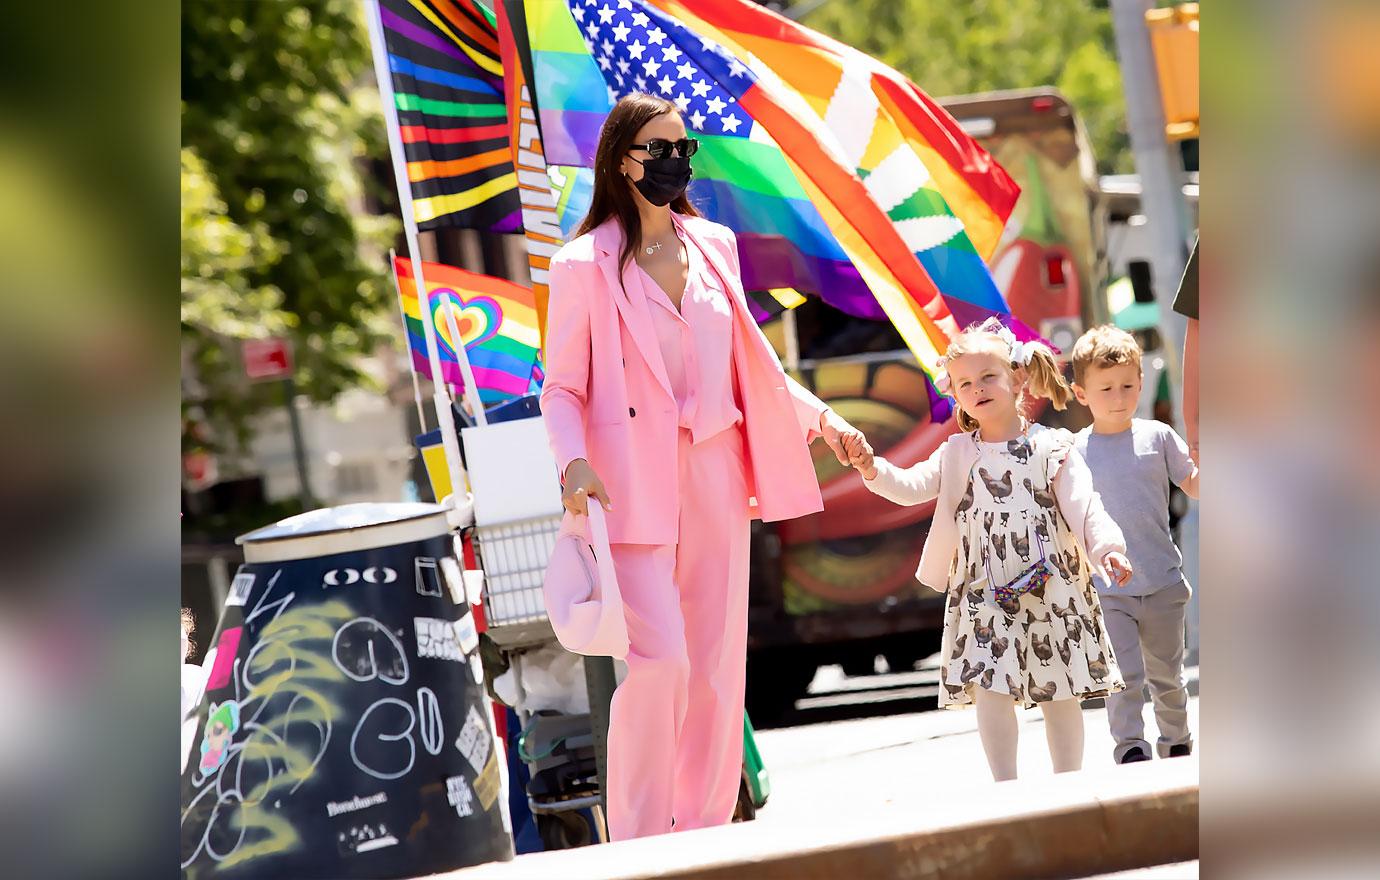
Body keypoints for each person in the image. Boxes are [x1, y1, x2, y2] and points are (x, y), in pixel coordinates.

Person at [540, 93, 863, 840]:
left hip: (716, 477)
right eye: (658, 148)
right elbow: (562, 388)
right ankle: (641, 841)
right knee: (661, 666)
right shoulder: (581, 266)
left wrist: (827, 419)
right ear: (620, 157)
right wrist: (574, 463)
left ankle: (706, 836)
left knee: (718, 674)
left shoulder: (716, 244)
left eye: (683, 147)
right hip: (627, 491)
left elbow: (754, 364)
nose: (674, 161)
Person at [841, 318, 1130, 782]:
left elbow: (1085, 505)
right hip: (984, 591)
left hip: (1050, 587)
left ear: (1017, 379)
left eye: (988, 377)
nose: (978, 389)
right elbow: (911, 486)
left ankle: (1070, 782)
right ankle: (1005, 787)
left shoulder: (1051, 447)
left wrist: (1107, 547)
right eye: (965, 383)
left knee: (1059, 689)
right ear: (955, 395)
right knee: (989, 685)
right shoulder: (956, 453)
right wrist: (871, 466)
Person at [1070, 325, 1199, 764]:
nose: (1118, 395)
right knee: (1123, 675)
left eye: (1127, 384)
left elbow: (1194, 483)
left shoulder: (1158, 436)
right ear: (1081, 393)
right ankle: (1130, 747)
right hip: (1108, 590)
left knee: (1167, 675)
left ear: (1141, 383)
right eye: (1105, 387)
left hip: (1162, 579)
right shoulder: (1074, 451)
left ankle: (1176, 740)